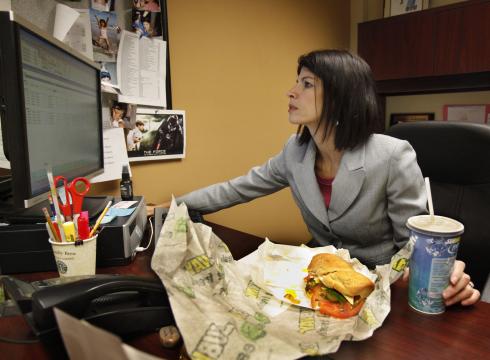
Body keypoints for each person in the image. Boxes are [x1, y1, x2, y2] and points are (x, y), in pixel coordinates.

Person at [148, 49, 480, 306]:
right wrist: (174, 205)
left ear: (341, 96)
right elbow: (238, 188)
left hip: (379, 286)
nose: (291, 92)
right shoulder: (295, 152)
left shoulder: (392, 156)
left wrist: (438, 276)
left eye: (307, 84)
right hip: (319, 277)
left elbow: (413, 246)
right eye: (297, 82)